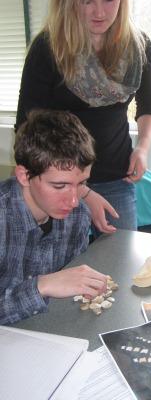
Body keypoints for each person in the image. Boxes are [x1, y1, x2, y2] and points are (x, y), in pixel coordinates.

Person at [16, 0, 151, 237]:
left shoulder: (138, 46)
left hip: (117, 181)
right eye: (87, 1)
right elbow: (26, 130)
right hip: (58, 185)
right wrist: (81, 191)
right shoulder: (48, 49)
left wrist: (142, 149)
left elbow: (149, 105)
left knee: (118, 274)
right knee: (63, 274)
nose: (100, 12)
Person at [0, 110, 109, 325]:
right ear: (24, 176)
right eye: (60, 186)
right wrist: (42, 286)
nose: (74, 201)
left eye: (81, 184)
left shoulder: (77, 216)